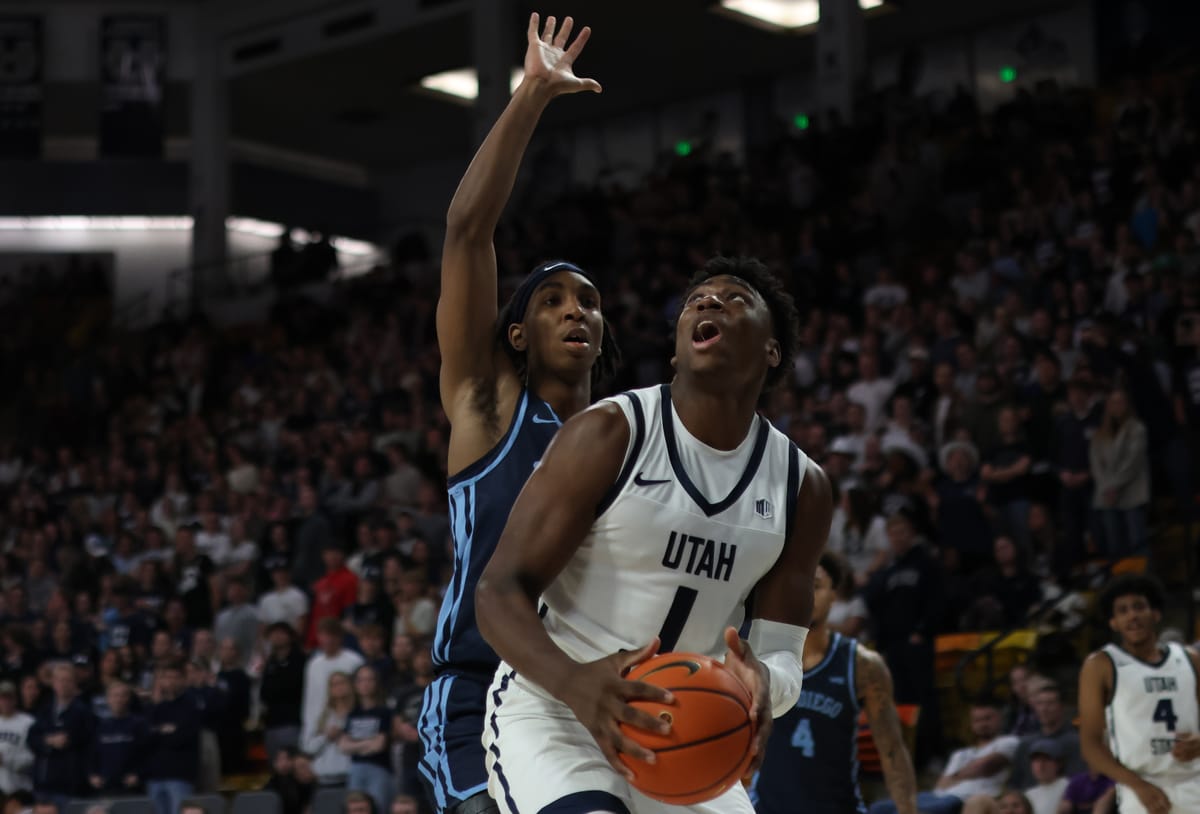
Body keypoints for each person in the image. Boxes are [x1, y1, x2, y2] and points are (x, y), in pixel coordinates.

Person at [477, 256, 831, 814]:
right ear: (677, 347)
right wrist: (575, 684)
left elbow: (783, 652)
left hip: (690, 729)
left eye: (734, 298)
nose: (708, 302)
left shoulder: (801, 486)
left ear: (772, 350)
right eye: (696, 300)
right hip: (556, 711)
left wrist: (764, 680)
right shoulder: (609, 432)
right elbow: (497, 593)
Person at [417, 12, 617, 814]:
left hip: (584, 694)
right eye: (554, 300)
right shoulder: (490, 405)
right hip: (477, 692)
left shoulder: (626, 441)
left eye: (591, 303)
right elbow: (467, 232)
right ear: (515, 333)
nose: (577, 311)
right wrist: (531, 94)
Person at [751, 552, 917, 814]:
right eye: (798, 585)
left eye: (815, 586)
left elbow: (892, 751)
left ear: (834, 595)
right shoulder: (760, 656)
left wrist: (909, 810)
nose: (805, 595)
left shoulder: (863, 665)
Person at [1077, 575, 1200, 814]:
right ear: (1113, 622)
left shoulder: (1190, 659)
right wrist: (1138, 785)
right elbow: (1090, 745)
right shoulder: (1101, 665)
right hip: (1141, 790)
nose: (1132, 615)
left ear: (1155, 614)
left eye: (1139, 607)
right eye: (1122, 611)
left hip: (1194, 783)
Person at [871, 702, 1019, 814]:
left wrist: (956, 776)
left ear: (1000, 718)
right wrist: (967, 773)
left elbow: (985, 767)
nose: (982, 724)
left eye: (988, 718)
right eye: (977, 720)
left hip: (965, 798)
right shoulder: (960, 753)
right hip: (937, 796)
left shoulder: (1008, 742)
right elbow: (942, 783)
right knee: (877, 808)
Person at [28, 662, 94, 811]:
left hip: (69, 786)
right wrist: (49, 740)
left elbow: (88, 741)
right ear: (53, 683)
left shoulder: (83, 712)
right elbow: (32, 738)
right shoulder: (44, 711)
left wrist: (68, 740)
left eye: (67, 680)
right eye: (59, 680)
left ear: (74, 684)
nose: (63, 684)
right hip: (43, 785)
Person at [144, 661, 201, 814]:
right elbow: (145, 738)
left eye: (175, 677)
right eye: (166, 677)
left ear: (183, 680)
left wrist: (159, 732)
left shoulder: (190, 704)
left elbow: (181, 737)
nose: (170, 681)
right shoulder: (153, 708)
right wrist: (164, 729)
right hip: (155, 776)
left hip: (180, 775)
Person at [302, 618, 364, 747]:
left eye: (331, 635)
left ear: (340, 637)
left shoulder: (354, 661)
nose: (328, 640)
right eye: (323, 635)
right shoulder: (313, 664)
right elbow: (309, 698)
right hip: (318, 724)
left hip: (346, 724)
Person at [342, 665, 394, 814]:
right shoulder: (353, 713)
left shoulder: (384, 712)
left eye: (369, 679)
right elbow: (343, 746)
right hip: (356, 768)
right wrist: (368, 743)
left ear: (376, 683)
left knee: (379, 808)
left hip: (380, 768)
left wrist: (355, 744)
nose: (365, 684)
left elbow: (379, 745)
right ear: (355, 684)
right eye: (361, 680)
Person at [86, 680, 147, 795]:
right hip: (106, 787)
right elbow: (93, 755)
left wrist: (139, 774)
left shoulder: (139, 725)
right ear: (108, 699)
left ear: (128, 698)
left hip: (132, 788)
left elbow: (147, 754)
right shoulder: (101, 727)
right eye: (115, 696)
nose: (119, 700)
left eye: (123, 696)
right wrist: (92, 775)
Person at [0, 681, 34, 793]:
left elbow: (32, 757)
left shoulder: (28, 723)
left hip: (20, 788)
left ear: (15, 699)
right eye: (2, 698)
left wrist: (6, 760)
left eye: (9, 698)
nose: (5, 702)